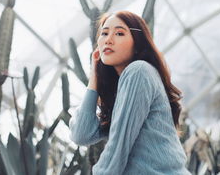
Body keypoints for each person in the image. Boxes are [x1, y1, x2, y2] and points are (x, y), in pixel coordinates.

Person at [69, 10, 191, 175]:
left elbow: (118, 148)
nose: (108, 40)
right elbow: (81, 134)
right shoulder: (121, 89)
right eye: (104, 33)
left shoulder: (139, 71)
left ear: (137, 44)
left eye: (119, 33)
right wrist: (94, 75)